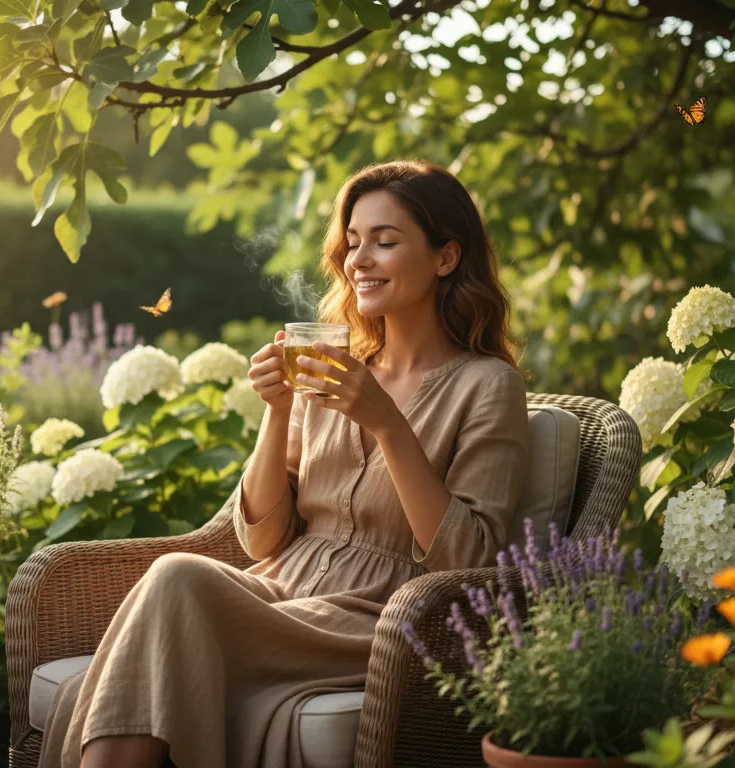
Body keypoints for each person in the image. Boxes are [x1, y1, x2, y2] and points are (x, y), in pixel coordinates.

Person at [39, 159, 531, 768]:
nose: (360, 261)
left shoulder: (487, 386)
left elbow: (471, 557)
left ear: (446, 257)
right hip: (280, 591)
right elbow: (262, 537)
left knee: (176, 577)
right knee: (175, 586)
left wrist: (385, 422)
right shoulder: (330, 365)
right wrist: (276, 411)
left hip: (380, 617)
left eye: (385, 241)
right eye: (352, 243)